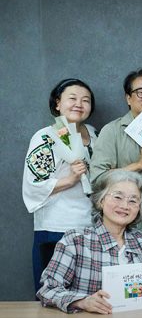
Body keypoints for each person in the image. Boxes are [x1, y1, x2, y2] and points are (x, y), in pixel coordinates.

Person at [37, 170, 142, 313]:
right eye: (117, 197)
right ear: (101, 200)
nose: (125, 206)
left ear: (139, 208)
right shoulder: (75, 241)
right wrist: (82, 302)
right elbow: (48, 289)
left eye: (133, 200)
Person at [24, 79, 98, 293]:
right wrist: (70, 180)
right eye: (72, 98)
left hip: (92, 227)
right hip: (57, 226)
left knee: (88, 293)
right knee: (54, 294)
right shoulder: (45, 137)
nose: (79, 104)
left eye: (86, 100)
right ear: (57, 103)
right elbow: (33, 184)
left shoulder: (94, 134)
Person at [90, 68, 142, 246]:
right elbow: (96, 179)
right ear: (128, 98)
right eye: (141, 92)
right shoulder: (112, 131)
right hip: (128, 227)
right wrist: (138, 165)